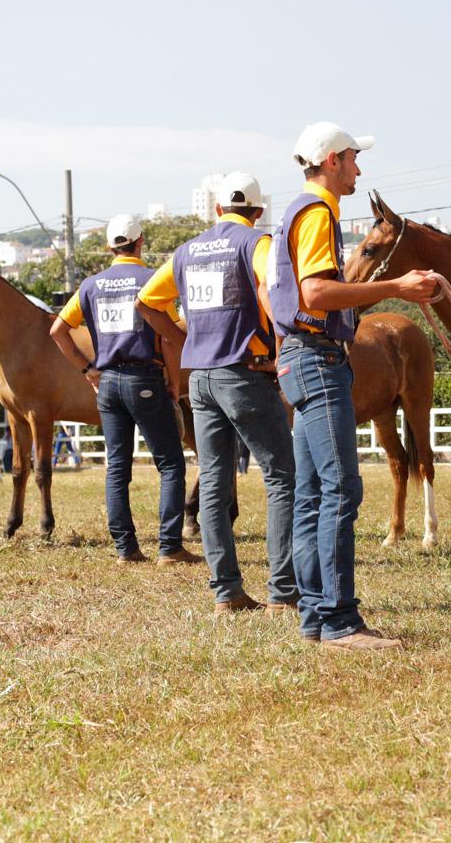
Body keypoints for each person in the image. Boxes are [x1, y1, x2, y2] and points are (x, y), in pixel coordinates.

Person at [270, 123, 438, 650]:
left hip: (296, 361)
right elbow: (317, 291)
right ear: (334, 159)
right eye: (354, 160)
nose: (359, 170)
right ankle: (340, 620)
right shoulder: (318, 213)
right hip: (317, 359)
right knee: (341, 488)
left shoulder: (296, 212)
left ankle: (318, 618)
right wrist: (398, 287)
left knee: (312, 494)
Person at [137, 173, 292, 610]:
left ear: (219, 209)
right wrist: (280, 350)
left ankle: (227, 592)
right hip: (244, 374)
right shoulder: (258, 243)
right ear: (257, 213)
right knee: (281, 477)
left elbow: (147, 302)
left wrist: (183, 342)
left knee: (214, 482)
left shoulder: (186, 252)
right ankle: (283, 590)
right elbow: (273, 290)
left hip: (199, 378)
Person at [52, 213, 197, 567]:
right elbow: (168, 337)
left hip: (107, 384)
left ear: (109, 247)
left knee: (117, 468)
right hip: (145, 378)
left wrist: (87, 369)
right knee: (171, 463)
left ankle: (125, 549)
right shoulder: (151, 280)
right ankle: (169, 547)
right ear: (141, 242)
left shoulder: (90, 285)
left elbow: (57, 330)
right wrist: (174, 384)